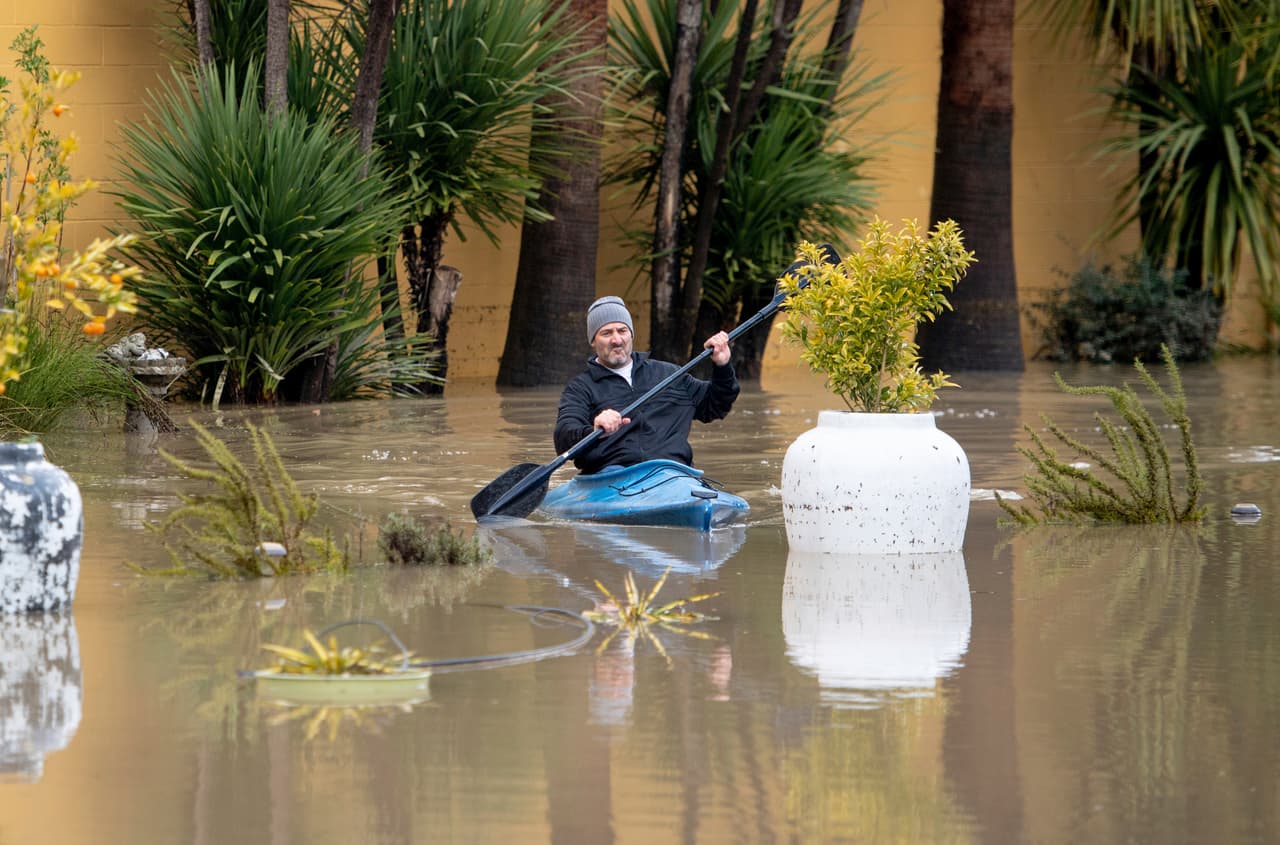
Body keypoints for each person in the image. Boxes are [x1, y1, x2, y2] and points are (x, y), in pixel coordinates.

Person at [554, 295, 739, 474]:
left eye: (622, 330)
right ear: (593, 341)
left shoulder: (670, 374)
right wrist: (595, 429)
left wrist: (723, 366)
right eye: (606, 333)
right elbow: (563, 437)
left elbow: (716, 406)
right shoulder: (580, 388)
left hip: (674, 473)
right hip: (612, 477)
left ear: (631, 334)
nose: (617, 340)